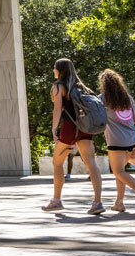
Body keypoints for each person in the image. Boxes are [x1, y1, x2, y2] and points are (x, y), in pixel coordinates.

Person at [43, 58, 104, 214]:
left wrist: (54, 128)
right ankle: (97, 203)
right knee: (91, 164)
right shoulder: (83, 87)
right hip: (85, 128)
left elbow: (57, 110)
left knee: (57, 163)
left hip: (70, 127)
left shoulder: (58, 87)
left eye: (55, 68)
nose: (53, 71)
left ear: (60, 70)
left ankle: (56, 201)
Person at [97, 69, 135, 213]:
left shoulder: (102, 99)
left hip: (116, 141)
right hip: (133, 140)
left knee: (118, 171)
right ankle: (119, 203)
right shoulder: (128, 98)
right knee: (121, 172)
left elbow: (95, 116)